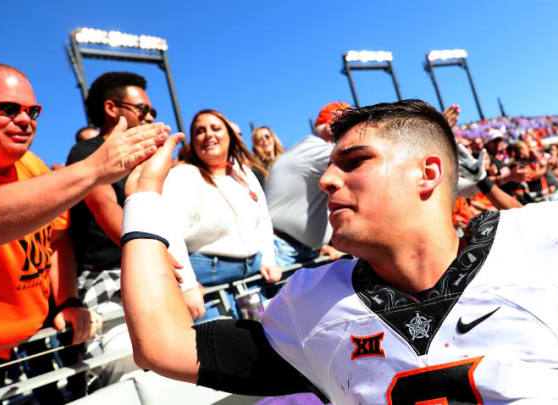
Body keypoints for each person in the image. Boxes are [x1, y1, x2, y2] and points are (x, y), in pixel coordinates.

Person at [120, 99, 558, 404]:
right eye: (328, 165)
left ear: (428, 173)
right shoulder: (312, 307)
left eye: (354, 161)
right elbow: (161, 345)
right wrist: (144, 200)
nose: (327, 181)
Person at [0, 62, 169, 399]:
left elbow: (57, 239)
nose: (25, 120)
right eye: (9, 108)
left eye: (33, 111)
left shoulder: (32, 165)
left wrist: (67, 301)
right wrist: (93, 170)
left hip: (31, 343)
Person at [65, 71, 198, 386]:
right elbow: (107, 210)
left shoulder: (147, 159)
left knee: (185, 364)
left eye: (153, 111)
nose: (150, 116)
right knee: (135, 372)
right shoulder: (87, 153)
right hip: (110, 278)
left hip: (160, 267)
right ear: (112, 108)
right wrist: (159, 261)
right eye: (142, 109)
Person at [166, 109, 281, 321]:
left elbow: (263, 220)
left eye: (215, 128)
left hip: (253, 278)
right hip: (208, 284)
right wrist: (188, 286)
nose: (208, 134)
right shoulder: (181, 175)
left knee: (263, 341)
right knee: (223, 349)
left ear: (229, 136)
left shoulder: (245, 174)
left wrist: (269, 259)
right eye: (200, 131)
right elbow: (170, 232)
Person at [265, 102, 349, 267]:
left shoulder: (308, 149)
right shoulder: (313, 149)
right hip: (284, 250)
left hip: (296, 250)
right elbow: (353, 158)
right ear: (331, 127)